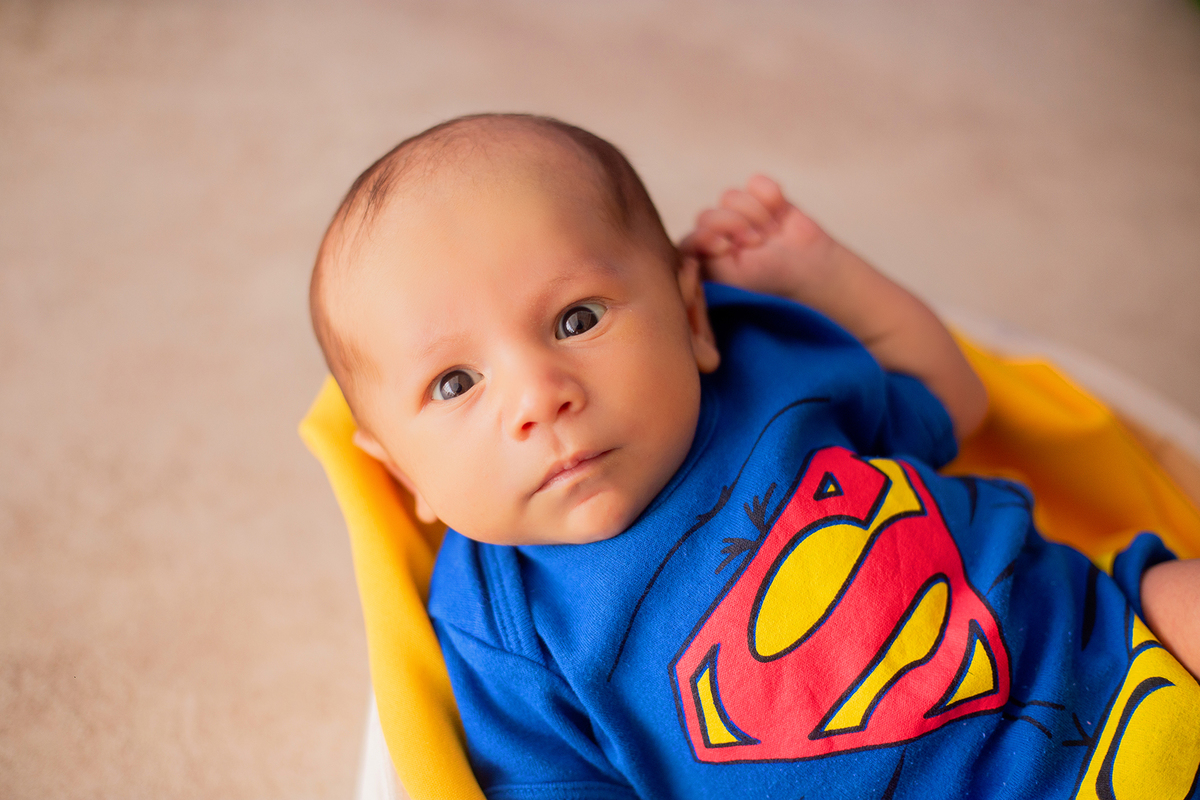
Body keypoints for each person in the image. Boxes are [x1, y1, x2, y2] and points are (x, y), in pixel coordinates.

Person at [310, 113, 1200, 799]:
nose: (540, 396)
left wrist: (828, 276)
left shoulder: (770, 372)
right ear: (399, 471)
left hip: (1114, 650)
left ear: (692, 318)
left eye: (577, 320)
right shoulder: (498, 623)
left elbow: (952, 400)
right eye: (457, 383)